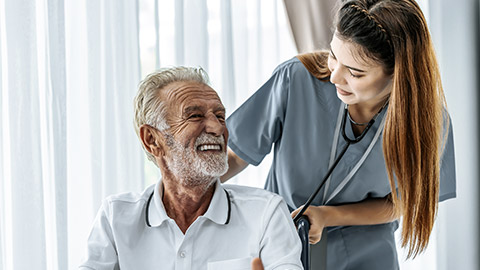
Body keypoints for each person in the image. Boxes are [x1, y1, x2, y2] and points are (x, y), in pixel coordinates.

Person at [222, 0, 456, 269]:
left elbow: (403, 202)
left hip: (368, 255)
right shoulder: (296, 79)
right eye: (334, 56)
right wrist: (183, 191)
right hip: (284, 246)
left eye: (355, 73)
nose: (335, 77)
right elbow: (237, 154)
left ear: (398, 73)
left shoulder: (429, 124)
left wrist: (328, 215)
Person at [79, 67, 303, 270]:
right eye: (195, 116)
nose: (217, 128)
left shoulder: (267, 213)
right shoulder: (115, 216)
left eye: (220, 116)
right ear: (152, 140)